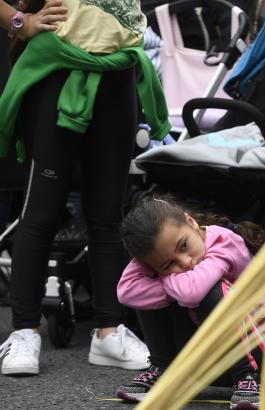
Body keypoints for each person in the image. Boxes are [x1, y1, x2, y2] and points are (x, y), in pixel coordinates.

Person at [0, 0, 169, 376]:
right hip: (57, 70)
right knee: (41, 211)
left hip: (119, 69)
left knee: (108, 213)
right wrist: (19, 21)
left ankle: (109, 331)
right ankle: (24, 331)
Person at [115, 196, 265, 410]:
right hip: (206, 358)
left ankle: (247, 377)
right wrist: (158, 274)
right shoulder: (170, 257)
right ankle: (163, 369)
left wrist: (161, 274)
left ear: (192, 223)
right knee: (149, 297)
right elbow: (126, 292)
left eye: (183, 246)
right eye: (168, 263)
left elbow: (191, 292)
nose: (186, 262)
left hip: (259, 352)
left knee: (208, 289)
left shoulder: (223, 241)